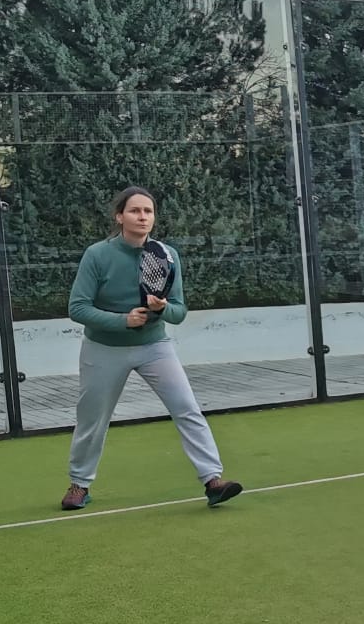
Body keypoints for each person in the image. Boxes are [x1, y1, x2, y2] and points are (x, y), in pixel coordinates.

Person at [59, 186, 243, 511]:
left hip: (155, 345)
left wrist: (162, 308)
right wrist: (123, 320)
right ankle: (79, 484)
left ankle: (213, 480)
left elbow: (179, 311)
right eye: (135, 211)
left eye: (148, 211)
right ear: (120, 217)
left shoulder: (168, 255)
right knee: (92, 419)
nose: (143, 216)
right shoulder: (97, 255)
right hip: (104, 348)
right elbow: (78, 307)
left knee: (187, 408)